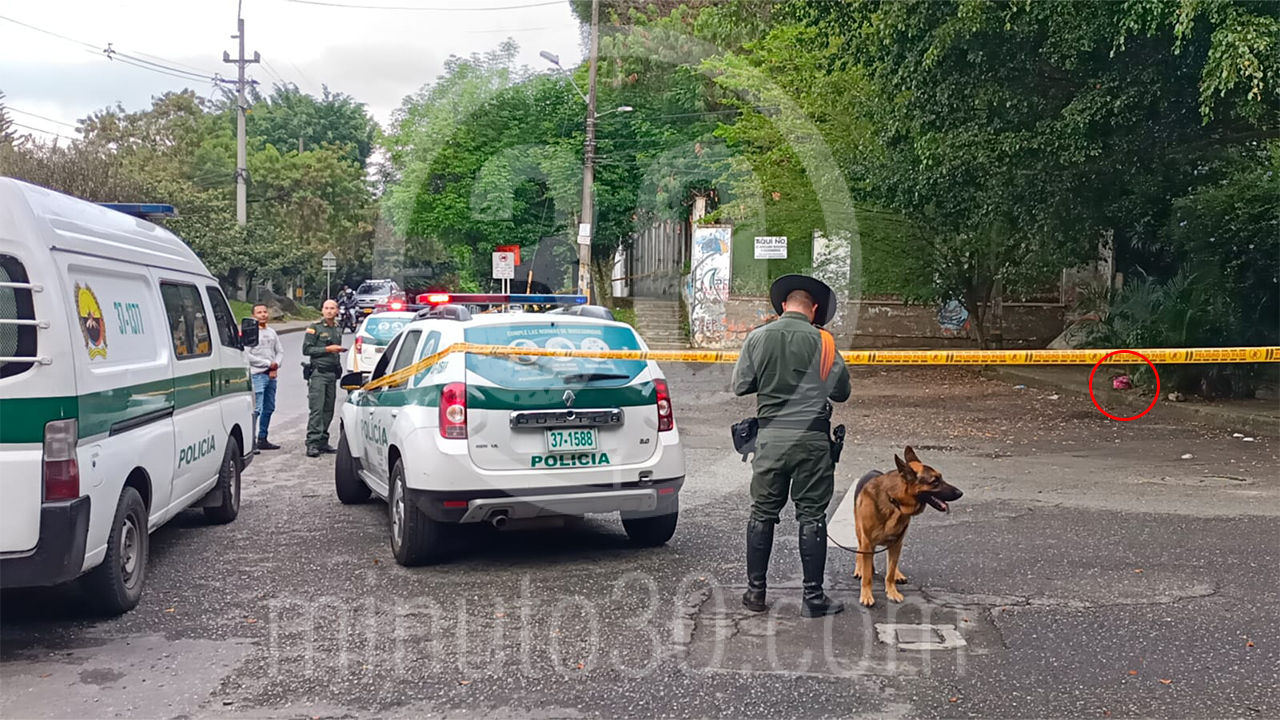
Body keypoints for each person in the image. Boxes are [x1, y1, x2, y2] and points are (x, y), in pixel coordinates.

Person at [731, 274, 852, 618]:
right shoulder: (824, 343)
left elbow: (741, 385)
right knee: (812, 516)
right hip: (812, 442)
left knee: (762, 514)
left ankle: (756, 593)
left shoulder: (757, 337)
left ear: (784, 306)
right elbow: (841, 392)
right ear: (813, 310)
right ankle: (813, 599)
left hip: (770, 440)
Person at [303, 299, 345, 458]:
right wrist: (328, 349)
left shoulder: (337, 328)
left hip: (331, 374)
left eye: (332, 308)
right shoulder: (315, 328)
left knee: (329, 409)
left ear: (337, 311)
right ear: (322, 310)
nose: (329, 311)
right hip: (318, 373)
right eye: (326, 308)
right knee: (317, 409)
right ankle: (312, 443)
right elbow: (307, 349)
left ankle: (322, 440)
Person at [246, 303, 284, 451]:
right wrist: (269, 364)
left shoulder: (272, 332)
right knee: (257, 409)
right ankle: (251, 441)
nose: (262, 315)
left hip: (271, 375)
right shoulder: (250, 333)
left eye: (264, 312)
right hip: (256, 375)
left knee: (269, 408)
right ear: (253, 316)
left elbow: (280, 351)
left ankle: (263, 438)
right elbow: (247, 355)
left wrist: (276, 365)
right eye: (259, 312)